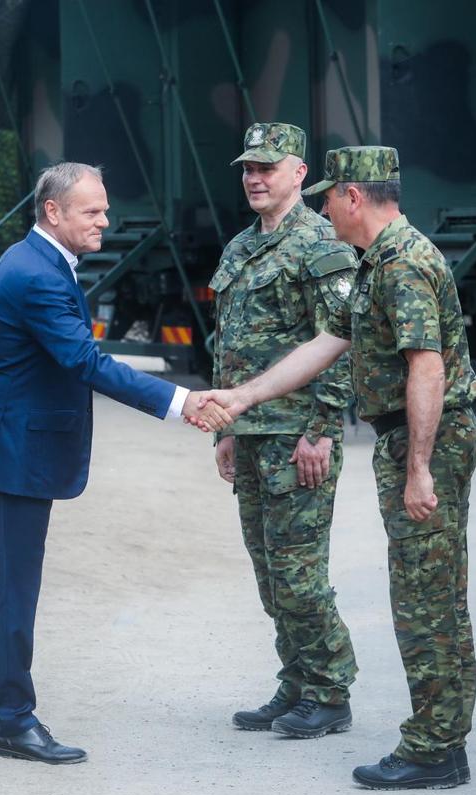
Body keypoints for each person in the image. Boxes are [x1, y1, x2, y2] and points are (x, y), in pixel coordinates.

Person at [197, 146, 476, 790]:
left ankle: (435, 747)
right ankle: (435, 740)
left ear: (354, 196)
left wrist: (420, 468)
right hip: (393, 437)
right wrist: (242, 401)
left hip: (422, 441)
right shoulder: (379, 260)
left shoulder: (404, 262)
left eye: (330, 196)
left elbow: (427, 367)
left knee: (427, 604)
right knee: (421, 599)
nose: (324, 208)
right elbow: (329, 344)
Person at [0, 161, 230, 765]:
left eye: (104, 209)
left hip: (10, 446)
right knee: (15, 588)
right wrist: (180, 401)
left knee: (3, 581)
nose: (106, 220)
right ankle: (11, 719)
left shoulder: (36, 261)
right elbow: (85, 362)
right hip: (15, 452)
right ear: (53, 211)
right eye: (93, 211)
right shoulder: (38, 275)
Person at [212, 124, 359, 738]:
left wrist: (322, 431)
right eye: (248, 168)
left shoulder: (319, 243)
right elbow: (227, 345)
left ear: (299, 174)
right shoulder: (240, 248)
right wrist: (222, 426)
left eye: (267, 168)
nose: (254, 177)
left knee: (299, 572)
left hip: (298, 434)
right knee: (269, 570)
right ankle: (296, 680)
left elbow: (344, 341)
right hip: (248, 434)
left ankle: (330, 691)